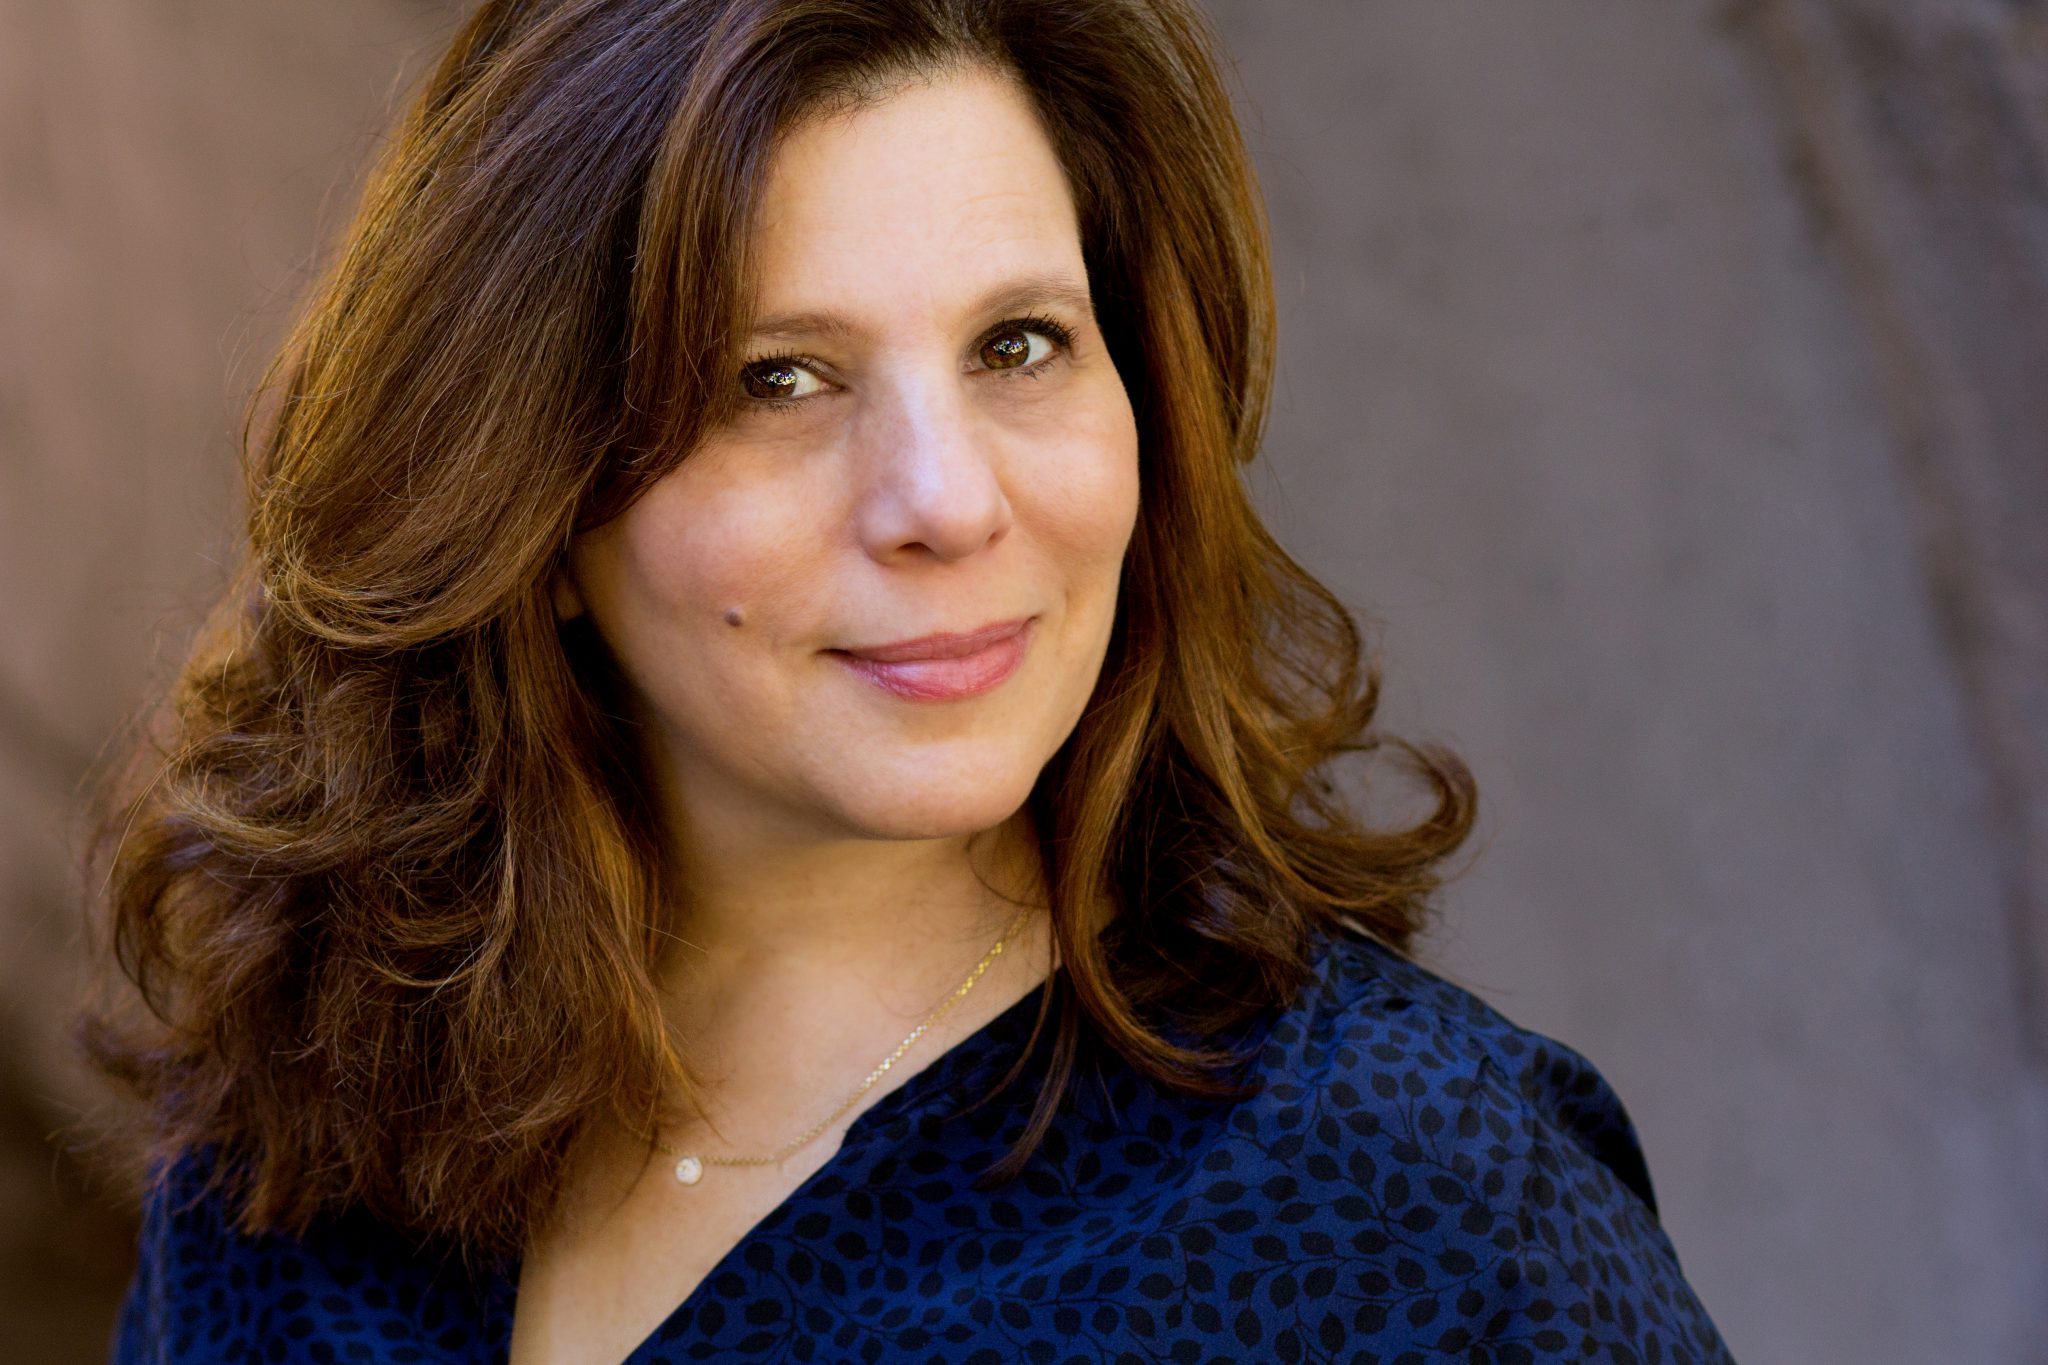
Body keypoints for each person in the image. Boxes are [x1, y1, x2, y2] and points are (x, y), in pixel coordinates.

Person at [88, 1, 1736, 1361]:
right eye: (778, 379)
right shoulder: (295, 1152)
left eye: (1019, 344)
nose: (944, 499)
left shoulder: (1419, 1206)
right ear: (530, 491)